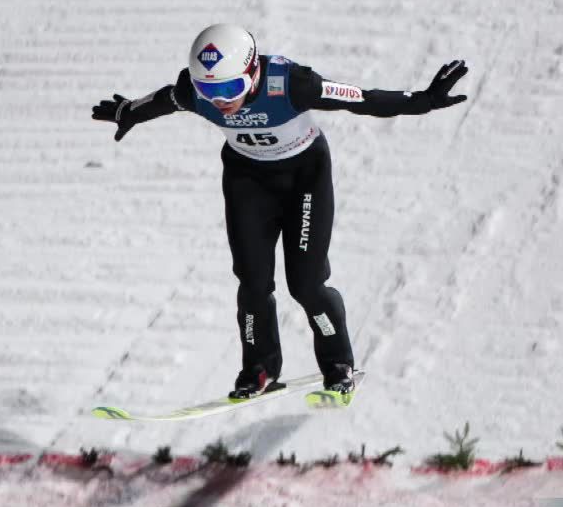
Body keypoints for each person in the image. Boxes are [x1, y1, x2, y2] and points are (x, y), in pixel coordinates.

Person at [91, 23, 468, 401]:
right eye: (208, 91)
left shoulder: (291, 83)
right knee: (253, 282)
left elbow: (361, 98)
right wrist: (130, 111)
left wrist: (422, 100)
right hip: (248, 181)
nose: (220, 101)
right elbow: (163, 99)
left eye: (229, 89)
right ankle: (259, 368)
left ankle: (338, 362)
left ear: (253, 71)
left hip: (305, 179)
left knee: (305, 284)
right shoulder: (195, 92)